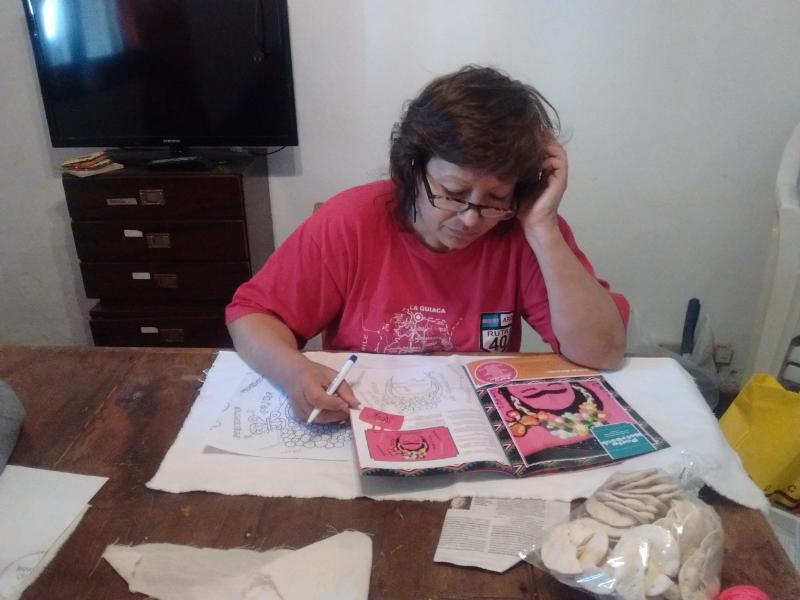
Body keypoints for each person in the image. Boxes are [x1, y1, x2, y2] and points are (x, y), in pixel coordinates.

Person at [226, 65, 629, 424]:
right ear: (412, 168)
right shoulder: (350, 221)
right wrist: (295, 372)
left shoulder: (523, 227)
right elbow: (251, 315)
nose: (471, 219)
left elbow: (603, 352)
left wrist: (542, 229)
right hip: (364, 419)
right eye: (452, 192)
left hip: (475, 425)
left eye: (495, 198)